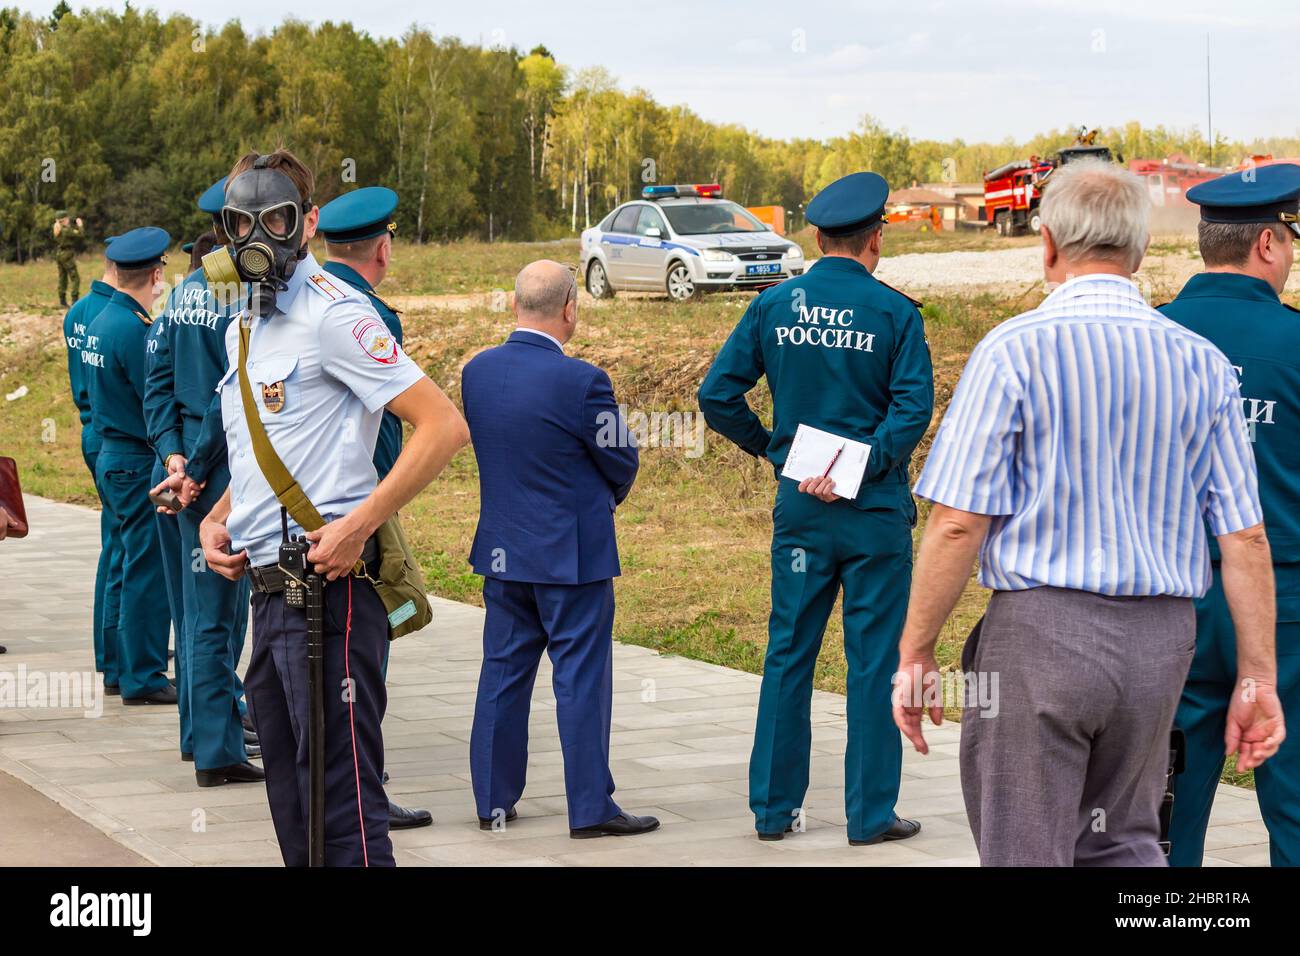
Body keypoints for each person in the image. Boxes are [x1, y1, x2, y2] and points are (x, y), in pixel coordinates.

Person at [894, 159, 1286, 866]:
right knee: (1125, 841)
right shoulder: (1199, 362)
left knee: (1026, 842)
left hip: (1041, 635)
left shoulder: (1014, 351)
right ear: (1137, 253)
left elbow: (958, 522)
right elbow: (1245, 536)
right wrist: (1257, 674)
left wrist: (917, 649)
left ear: (1047, 245)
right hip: (1162, 642)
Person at [198, 150, 469, 866]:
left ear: (308, 223)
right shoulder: (243, 324)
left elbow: (442, 425)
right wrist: (220, 513)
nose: (258, 237)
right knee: (293, 805)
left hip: (328, 595)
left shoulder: (335, 318)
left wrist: (359, 525)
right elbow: (265, 442)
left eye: (277, 218)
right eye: (240, 223)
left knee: (343, 807)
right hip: (265, 593)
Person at [698, 172, 934, 845]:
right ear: (876, 239)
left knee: (788, 654)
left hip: (800, 511)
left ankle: (774, 811)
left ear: (818, 237)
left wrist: (780, 453)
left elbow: (718, 397)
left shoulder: (776, 304)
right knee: (873, 661)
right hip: (873, 515)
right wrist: (858, 465)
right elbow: (912, 409)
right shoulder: (895, 313)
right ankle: (870, 815)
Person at [462, 260, 659, 839]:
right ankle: (590, 808)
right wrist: (602, 500)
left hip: (503, 549)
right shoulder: (584, 382)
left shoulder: (477, 371)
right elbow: (622, 459)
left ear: (515, 304)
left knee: (502, 673)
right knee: (580, 677)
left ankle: (492, 800)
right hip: (571, 555)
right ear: (570, 306)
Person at [1159, 163, 1300, 867]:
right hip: (1284, 606)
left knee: (1161, 806)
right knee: (1297, 803)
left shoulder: (1147, 339)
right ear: (1270, 244)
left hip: (1168, 602)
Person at [317, 185, 432, 831]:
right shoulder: (368, 314)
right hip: (355, 510)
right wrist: (383, 504)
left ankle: (332, 787)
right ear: (383, 250)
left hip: (295, 506)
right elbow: (392, 425)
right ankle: (367, 793)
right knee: (364, 660)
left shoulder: (295, 300)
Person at [144, 178, 261, 786]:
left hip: (183, 470)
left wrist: (170, 460)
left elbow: (155, 380)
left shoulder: (186, 290)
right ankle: (219, 751)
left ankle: (197, 732)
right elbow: (233, 396)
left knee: (191, 612)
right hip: (219, 470)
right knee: (219, 616)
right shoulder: (240, 293)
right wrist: (194, 464)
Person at [84, 226, 177, 706]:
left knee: (122, 561)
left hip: (110, 452)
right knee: (146, 569)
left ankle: (119, 665)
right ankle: (143, 675)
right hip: (137, 458)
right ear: (156, 274)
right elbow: (154, 399)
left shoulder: (102, 318)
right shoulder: (136, 329)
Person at [63, 238, 122, 694]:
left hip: (92, 427)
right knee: (125, 548)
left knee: (113, 542)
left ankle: (112, 646)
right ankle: (122, 648)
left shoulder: (77, 312)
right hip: (114, 434)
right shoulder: (114, 318)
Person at [53, 210, 85, 307]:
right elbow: (81, 234)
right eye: (67, 219)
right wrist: (80, 225)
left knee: (62, 278)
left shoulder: (57, 229)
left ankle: (62, 300)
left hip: (59, 254)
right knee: (75, 278)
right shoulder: (66, 230)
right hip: (67, 255)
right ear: (64, 220)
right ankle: (75, 301)